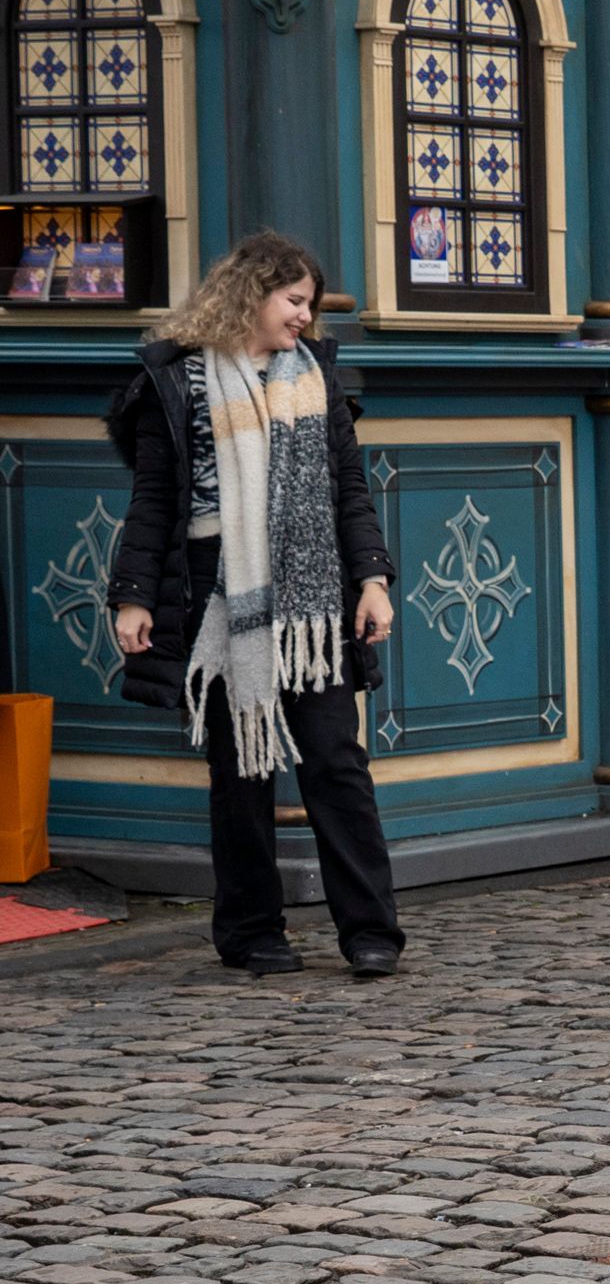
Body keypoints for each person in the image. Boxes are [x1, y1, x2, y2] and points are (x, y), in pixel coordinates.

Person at [104, 232, 403, 978]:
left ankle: (371, 931)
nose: (305, 316)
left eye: (310, 304)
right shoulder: (176, 381)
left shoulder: (317, 378)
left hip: (312, 596)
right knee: (240, 771)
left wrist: (371, 580)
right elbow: (152, 504)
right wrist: (133, 596)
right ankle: (250, 930)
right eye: (294, 300)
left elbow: (348, 491)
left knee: (336, 760)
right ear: (251, 294)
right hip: (217, 587)